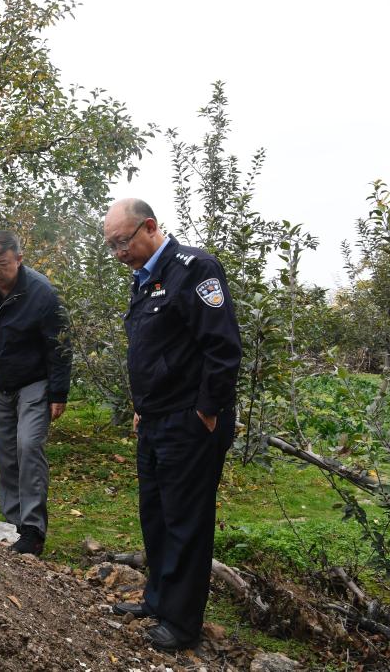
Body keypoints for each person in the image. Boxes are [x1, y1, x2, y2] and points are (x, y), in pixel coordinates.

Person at [103, 198, 242, 651]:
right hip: (155, 417)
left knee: (186, 521)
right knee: (157, 515)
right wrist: (142, 404)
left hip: (190, 420)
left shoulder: (195, 269)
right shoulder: (145, 280)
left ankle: (181, 624)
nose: (118, 253)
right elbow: (156, 349)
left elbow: (222, 348)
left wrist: (207, 409)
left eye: (122, 242)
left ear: (149, 226)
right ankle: (158, 600)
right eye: (111, 246)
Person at [0, 230, 72, 557]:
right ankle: (14, 524)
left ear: (19, 259)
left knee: (28, 446)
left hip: (35, 382)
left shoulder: (42, 292)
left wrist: (59, 393)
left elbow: (60, 346)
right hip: (0, 383)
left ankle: (33, 530)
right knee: (7, 452)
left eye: (2, 263)